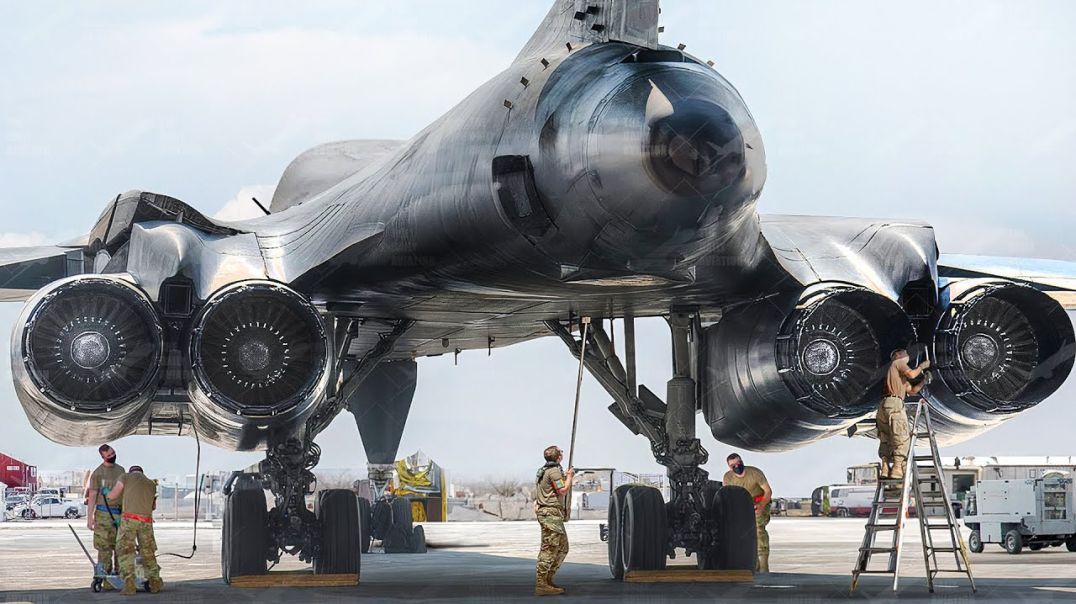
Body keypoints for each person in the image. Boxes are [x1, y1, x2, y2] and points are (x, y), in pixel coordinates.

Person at [107, 465, 163, 595]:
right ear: (142, 472)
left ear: (131, 471)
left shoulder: (125, 477)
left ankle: (129, 584)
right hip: (146, 521)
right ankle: (155, 582)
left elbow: (113, 495)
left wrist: (106, 493)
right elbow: (153, 506)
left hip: (129, 520)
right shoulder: (151, 483)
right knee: (148, 551)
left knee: (126, 551)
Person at [877, 349, 930, 480]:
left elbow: (911, 390)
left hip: (883, 405)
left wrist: (924, 381)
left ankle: (885, 468)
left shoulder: (897, 377)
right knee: (901, 437)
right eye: (905, 353)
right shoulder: (897, 363)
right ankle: (897, 468)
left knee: (886, 437)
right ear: (897, 355)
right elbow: (912, 374)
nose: (907, 356)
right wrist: (922, 366)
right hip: (895, 403)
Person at [534, 445, 574, 596]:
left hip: (551, 514)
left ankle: (547, 580)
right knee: (549, 548)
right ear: (558, 458)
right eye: (561, 452)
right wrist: (569, 476)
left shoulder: (543, 470)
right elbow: (562, 490)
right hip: (550, 514)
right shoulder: (554, 471)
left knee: (562, 547)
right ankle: (541, 583)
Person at [723, 453, 773, 573]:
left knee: (758, 529)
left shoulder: (755, 473)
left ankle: (763, 566)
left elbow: (768, 491)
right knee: (745, 534)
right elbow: (728, 496)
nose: (737, 466)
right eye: (733, 465)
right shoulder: (728, 478)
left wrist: (761, 505)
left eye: (738, 462)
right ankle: (753, 564)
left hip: (759, 502)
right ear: (729, 467)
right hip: (743, 505)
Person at [85, 444, 125, 584]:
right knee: (104, 548)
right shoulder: (97, 473)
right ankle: (104, 577)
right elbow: (92, 497)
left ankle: (121, 574)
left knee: (120, 546)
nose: (113, 456)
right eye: (109, 455)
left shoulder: (121, 470)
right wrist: (89, 518)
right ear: (103, 457)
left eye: (113, 453)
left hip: (118, 514)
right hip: (103, 514)